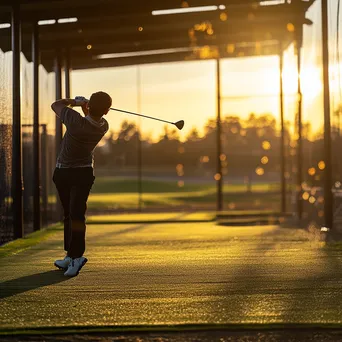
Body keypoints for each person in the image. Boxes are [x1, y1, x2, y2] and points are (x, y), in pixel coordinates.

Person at [51, 91, 112, 277]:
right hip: (83, 172)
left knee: (75, 214)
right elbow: (91, 120)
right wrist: (87, 108)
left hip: (65, 172)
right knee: (72, 214)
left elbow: (56, 105)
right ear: (107, 111)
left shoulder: (75, 121)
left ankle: (77, 257)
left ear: (89, 106)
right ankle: (71, 255)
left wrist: (75, 102)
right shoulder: (104, 125)